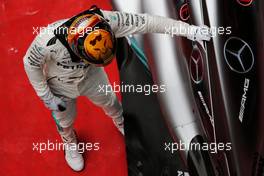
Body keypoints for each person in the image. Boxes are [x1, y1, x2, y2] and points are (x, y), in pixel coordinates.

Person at [23, 5, 211, 172]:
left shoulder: (108, 20)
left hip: (91, 76)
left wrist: (188, 30)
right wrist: (46, 96)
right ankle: (69, 141)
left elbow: (146, 22)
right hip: (60, 85)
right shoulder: (46, 42)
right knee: (65, 120)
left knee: (111, 102)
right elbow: (30, 64)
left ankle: (121, 121)